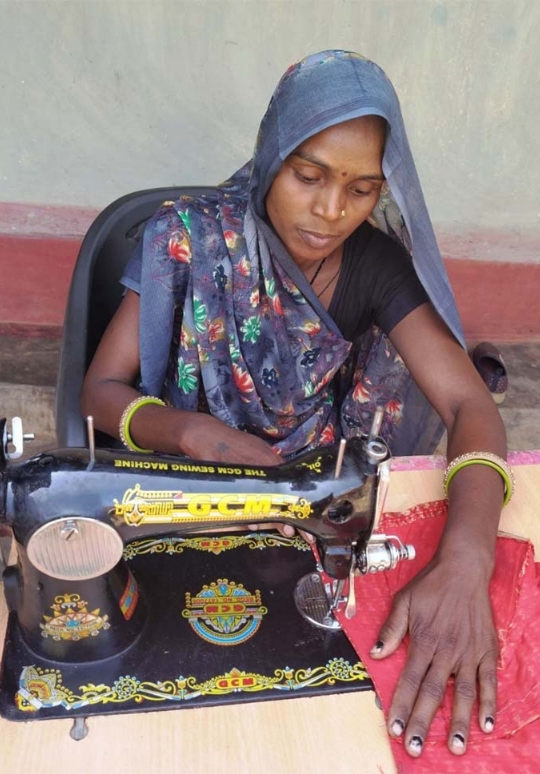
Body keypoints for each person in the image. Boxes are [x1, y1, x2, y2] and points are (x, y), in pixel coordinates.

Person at [82, 50, 509, 758]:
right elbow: (100, 393)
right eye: (308, 177)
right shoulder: (187, 238)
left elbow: (470, 403)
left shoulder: (372, 263)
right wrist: (189, 432)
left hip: (304, 508)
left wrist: (468, 560)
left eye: (363, 189)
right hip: (188, 494)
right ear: (270, 153)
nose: (331, 211)